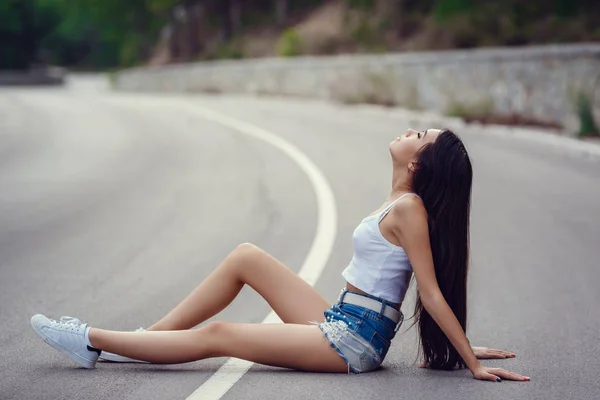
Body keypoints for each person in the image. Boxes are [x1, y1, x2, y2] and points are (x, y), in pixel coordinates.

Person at [30, 128, 530, 382]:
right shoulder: (401, 203)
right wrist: (464, 347)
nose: (409, 131)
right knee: (246, 256)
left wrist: (469, 359)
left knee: (219, 336)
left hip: (352, 342)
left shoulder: (410, 209)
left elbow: (432, 290)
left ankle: (90, 338)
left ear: (418, 161)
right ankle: (147, 341)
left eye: (419, 135)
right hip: (342, 318)